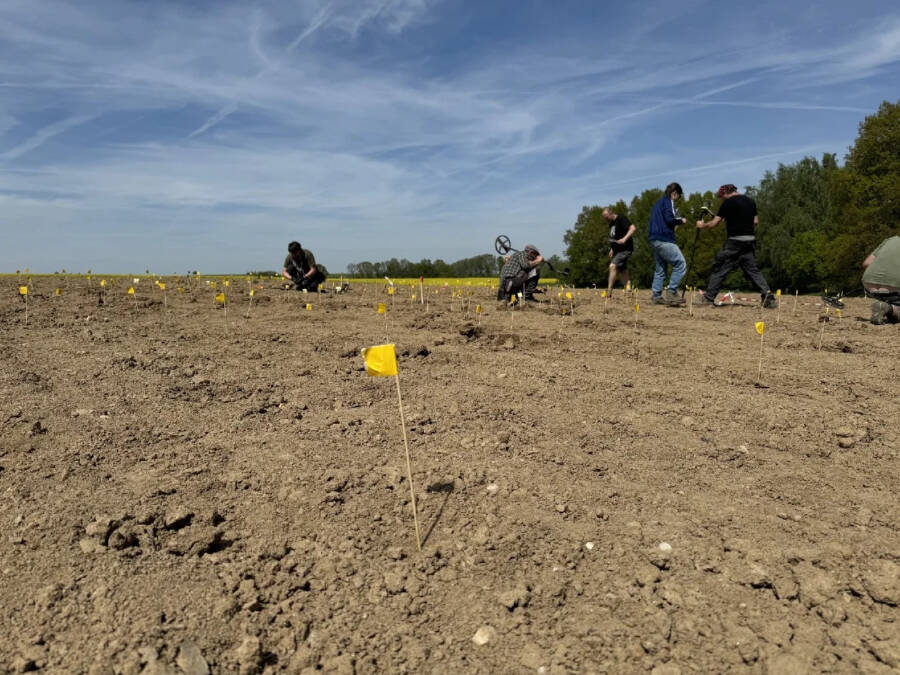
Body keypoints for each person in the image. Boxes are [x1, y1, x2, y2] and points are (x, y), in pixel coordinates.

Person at [696, 184, 776, 308]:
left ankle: (708, 298)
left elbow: (714, 223)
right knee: (752, 270)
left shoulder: (728, 203)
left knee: (721, 267)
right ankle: (768, 296)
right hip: (749, 240)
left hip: (734, 242)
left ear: (725, 193)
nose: (722, 199)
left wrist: (702, 225)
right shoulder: (751, 201)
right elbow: (755, 221)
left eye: (721, 197)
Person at [648, 182, 687, 305]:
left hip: (654, 238)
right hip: (664, 239)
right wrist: (681, 220)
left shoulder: (657, 204)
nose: (678, 199)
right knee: (680, 264)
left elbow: (663, 221)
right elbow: (669, 220)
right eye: (678, 197)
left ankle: (656, 296)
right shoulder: (668, 202)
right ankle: (672, 292)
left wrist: (673, 225)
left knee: (660, 269)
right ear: (674, 193)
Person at [862, 235, 900, 324]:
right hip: (894, 287)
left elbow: (866, 263)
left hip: (869, 284)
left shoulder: (890, 240)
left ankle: (889, 308)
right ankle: (891, 309)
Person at [603, 207, 636, 295]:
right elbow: (614, 238)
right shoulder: (611, 224)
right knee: (622, 270)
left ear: (611, 213)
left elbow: (633, 228)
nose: (605, 219)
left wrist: (624, 239)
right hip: (617, 251)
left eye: (606, 217)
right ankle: (629, 290)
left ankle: (609, 290)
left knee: (612, 266)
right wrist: (612, 249)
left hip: (625, 249)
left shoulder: (621, 218)